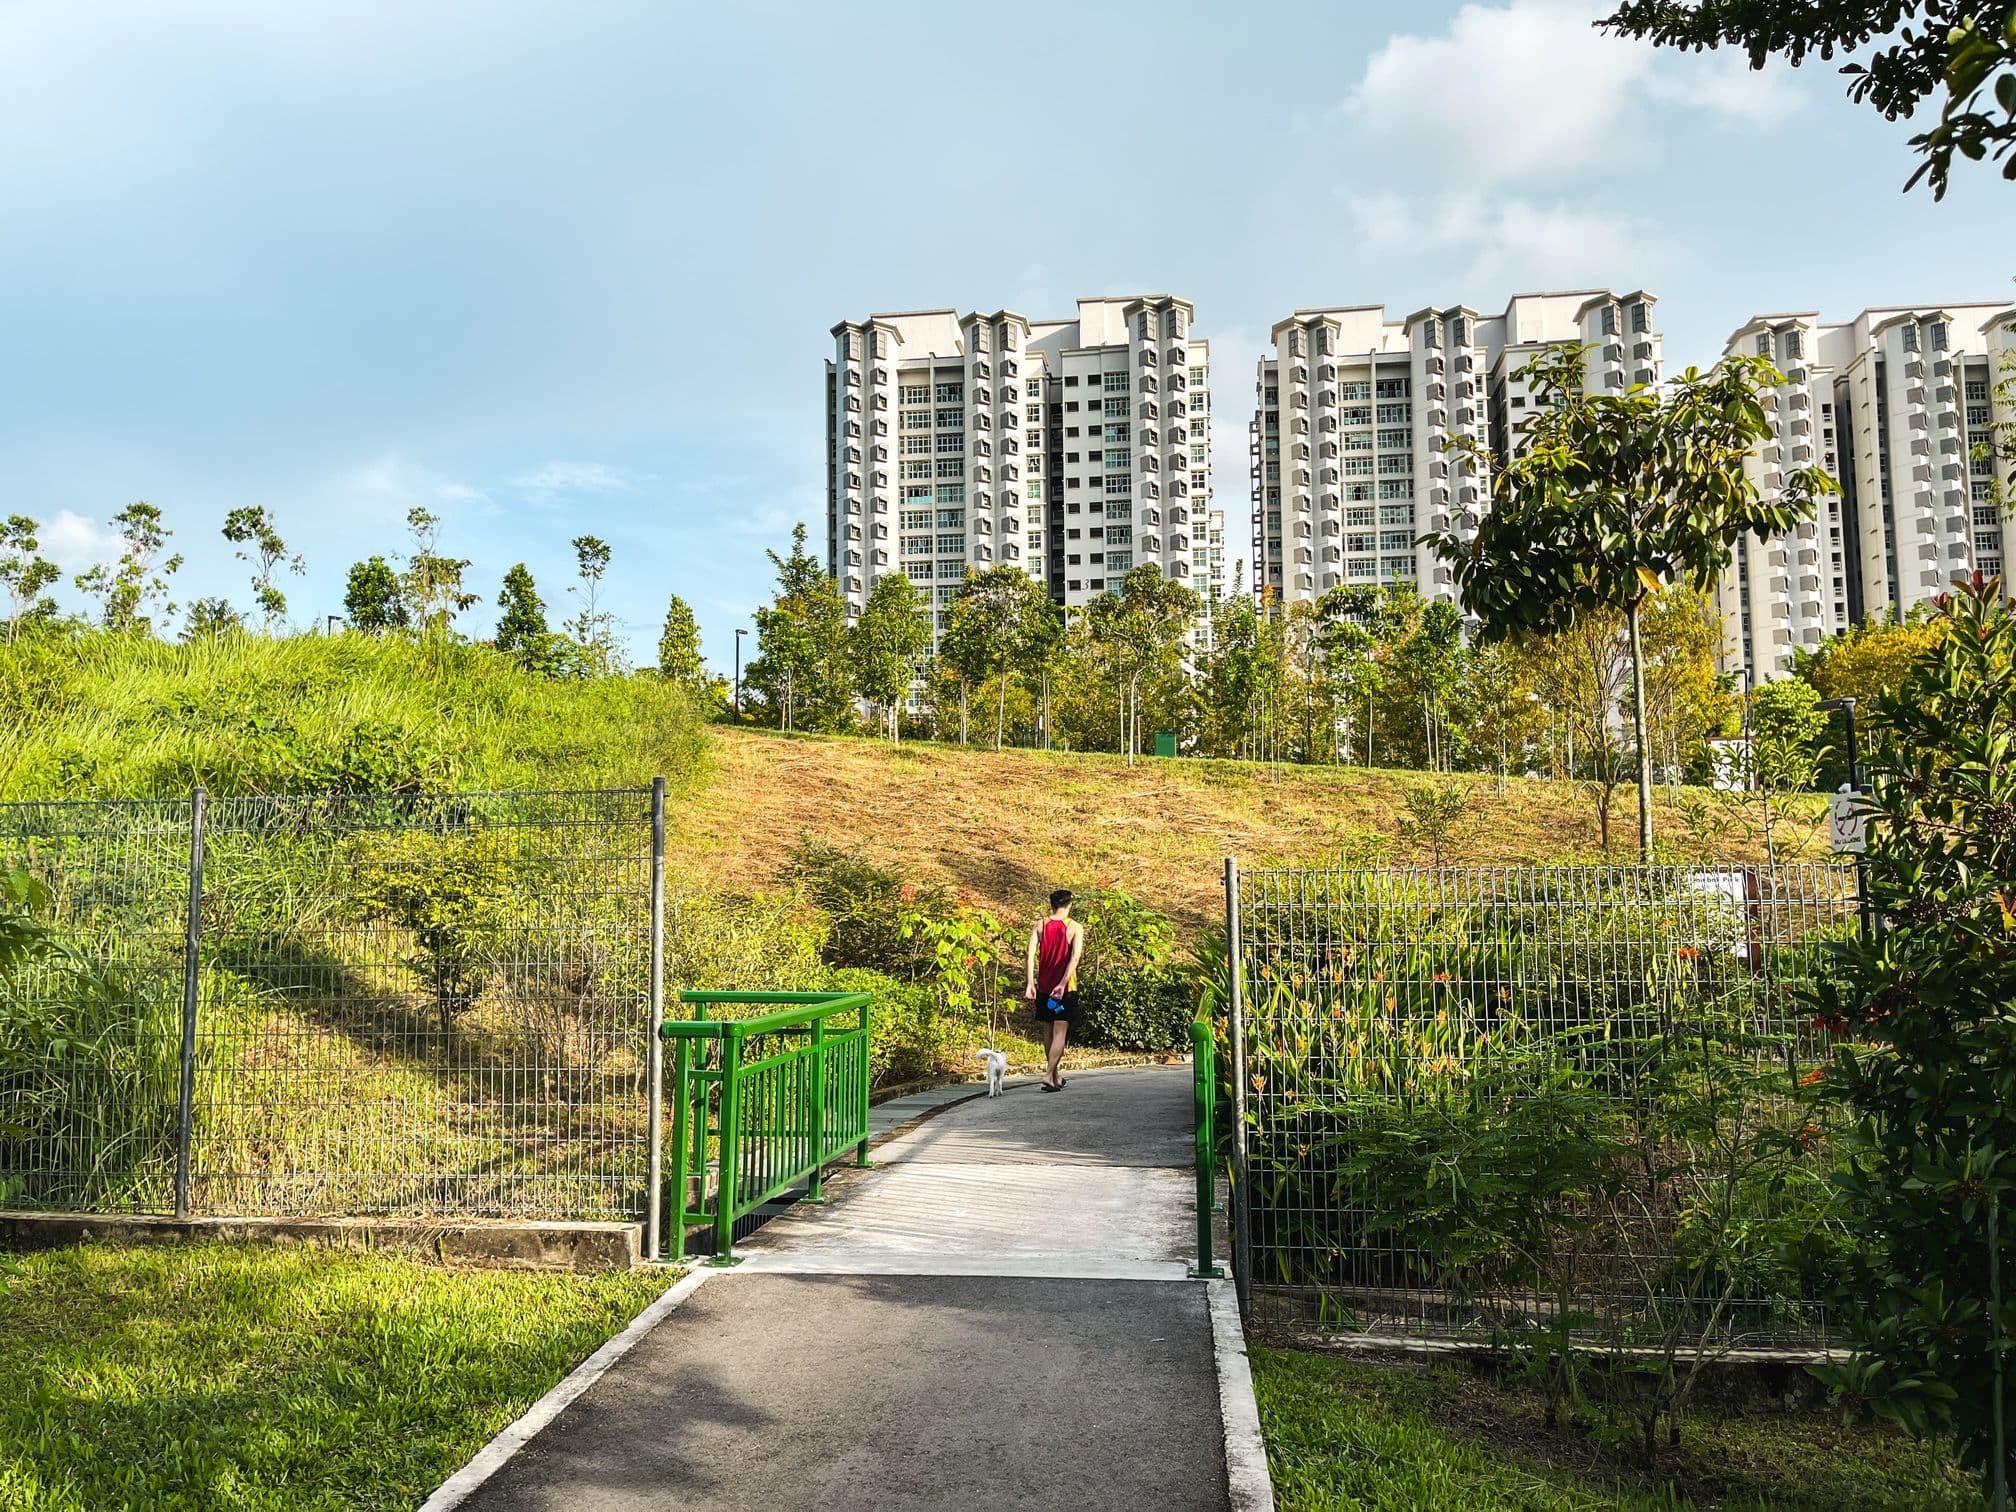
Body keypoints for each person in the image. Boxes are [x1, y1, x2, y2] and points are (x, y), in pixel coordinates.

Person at [1024, 888, 1084, 1092]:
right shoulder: (1074, 927)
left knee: (1048, 1028)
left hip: (1044, 987)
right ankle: (1049, 1074)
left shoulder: (1040, 925)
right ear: (1069, 905)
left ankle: (1056, 1076)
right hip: (1065, 989)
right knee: (1060, 1031)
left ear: (1051, 904)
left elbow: (1030, 955)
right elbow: (1074, 958)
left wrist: (1030, 983)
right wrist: (1062, 984)